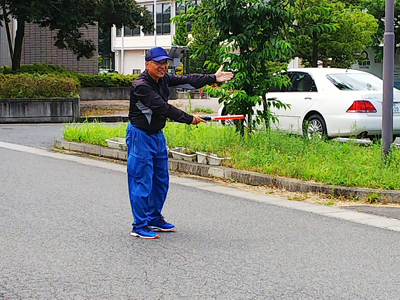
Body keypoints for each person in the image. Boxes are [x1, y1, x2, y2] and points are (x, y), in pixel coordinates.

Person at [127, 46, 234, 239]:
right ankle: (139, 225)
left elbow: (187, 79)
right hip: (140, 136)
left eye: (165, 62)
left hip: (157, 135)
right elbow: (162, 108)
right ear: (147, 64)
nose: (163, 66)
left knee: (161, 180)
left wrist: (212, 78)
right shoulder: (141, 85)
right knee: (142, 180)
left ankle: (153, 218)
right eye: (158, 62)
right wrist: (189, 118)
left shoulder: (164, 79)